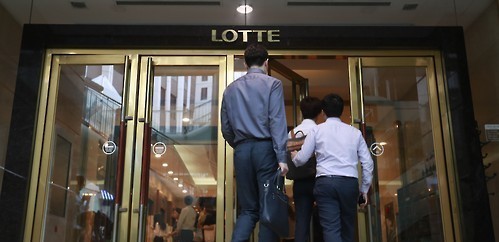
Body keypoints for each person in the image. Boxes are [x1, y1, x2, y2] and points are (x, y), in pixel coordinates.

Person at [221, 43, 289, 242]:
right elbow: (276, 121)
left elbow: (226, 128)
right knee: (268, 205)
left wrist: (241, 145)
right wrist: (282, 157)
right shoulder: (273, 84)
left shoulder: (230, 89)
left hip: (242, 151)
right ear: (266, 63)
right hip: (266, 149)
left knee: (248, 210)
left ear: (245, 63)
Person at [291, 93, 374, 242]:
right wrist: (364, 190)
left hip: (325, 183)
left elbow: (301, 159)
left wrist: (294, 157)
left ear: (323, 112)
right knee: (348, 227)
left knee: (330, 229)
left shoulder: (317, 131)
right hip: (349, 183)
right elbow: (368, 163)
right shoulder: (355, 133)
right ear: (342, 111)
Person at [287, 96, 323, 242]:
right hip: (319, 180)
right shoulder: (320, 131)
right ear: (320, 112)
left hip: (300, 183)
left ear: (302, 111)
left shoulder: (291, 133)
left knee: (301, 223)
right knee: (325, 220)